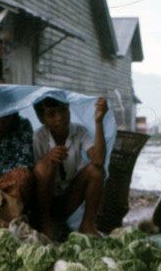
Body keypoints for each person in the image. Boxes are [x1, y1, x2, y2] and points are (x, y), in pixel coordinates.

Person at [32, 96, 108, 238]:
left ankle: (87, 225)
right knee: (43, 168)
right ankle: (46, 225)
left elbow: (98, 160)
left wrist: (99, 121)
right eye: (51, 114)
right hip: (44, 202)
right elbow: (34, 175)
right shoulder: (39, 137)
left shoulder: (79, 132)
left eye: (63, 111)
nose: (59, 117)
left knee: (96, 171)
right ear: (42, 119)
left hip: (69, 199)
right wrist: (48, 158)